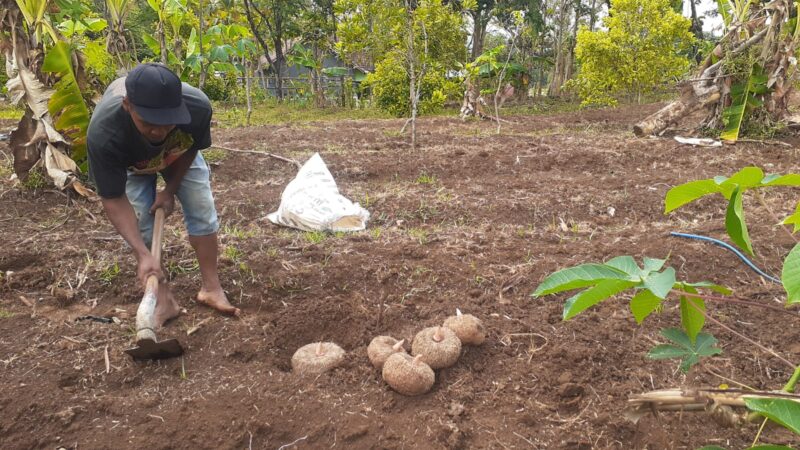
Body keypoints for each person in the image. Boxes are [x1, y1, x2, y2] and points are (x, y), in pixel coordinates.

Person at [87, 63, 240, 325]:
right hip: (133, 164)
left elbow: (191, 146)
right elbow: (113, 199)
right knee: (142, 226)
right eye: (148, 123)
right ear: (127, 106)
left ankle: (211, 289)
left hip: (177, 153)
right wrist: (142, 254)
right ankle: (164, 299)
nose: (158, 130)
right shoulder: (104, 134)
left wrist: (169, 190)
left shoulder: (197, 108)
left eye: (167, 122)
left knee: (202, 210)